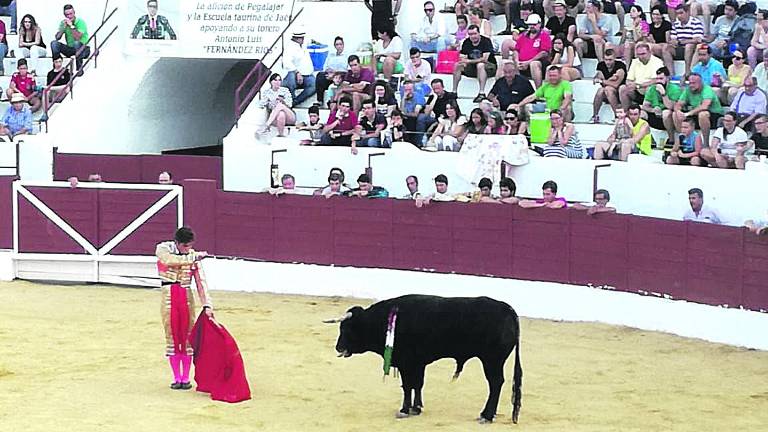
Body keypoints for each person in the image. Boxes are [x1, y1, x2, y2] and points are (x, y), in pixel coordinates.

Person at [155, 227, 212, 390]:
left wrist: (207, 304)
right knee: (172, 336)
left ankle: (185, 378)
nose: (188, 249)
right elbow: (168, 260)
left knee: (187, 337)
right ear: (177, 243)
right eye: (185, 246)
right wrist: (194, 257)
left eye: (190, 246)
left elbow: (201, 282)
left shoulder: (192, 255)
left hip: (186, 297)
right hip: (168, 297)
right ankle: (176, 377)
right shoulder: (163, 249)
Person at [674, 72, 724, 146]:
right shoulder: (688, 90)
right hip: (695, 114)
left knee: (703, 114)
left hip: (714, 114)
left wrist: (688, 114)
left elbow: (704, 106)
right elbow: (678, 104)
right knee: (675, 114)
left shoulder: (707, 89)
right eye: (690, 83)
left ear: (700, 82)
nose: (691, 85)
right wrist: (678, 111)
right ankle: (682, 141)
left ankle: (706, 144)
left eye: (694, 83)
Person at [453, 24, 497, 103]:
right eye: (470, 34)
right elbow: (462, 56)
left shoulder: (486, 41)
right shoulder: (466, 42)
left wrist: (469, 61)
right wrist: (463, 62)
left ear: (479, 33)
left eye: (474, 34)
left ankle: (481, 93)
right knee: (457, 65)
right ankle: (454, 92)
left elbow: (484, 59)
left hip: (489, 66)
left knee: (480, 65)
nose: (473, 36)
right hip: (472, 67)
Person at [282, 28, 316, 107]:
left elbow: (310, 41)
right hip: (294, 75)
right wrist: (297, 72)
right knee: (290, 79)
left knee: (314, 85)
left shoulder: (303, 44)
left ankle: (295, 101)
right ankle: (290, 98)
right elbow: (287, 63)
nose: (303, 39)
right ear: (296, 38)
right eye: (301, 38)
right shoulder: (289, 48)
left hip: (307, 75)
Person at [51, 4, 90, 72]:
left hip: (83, 49)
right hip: (71, 49)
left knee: (76, 43)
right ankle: (56, 67)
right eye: (67, 14)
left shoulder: (80, 22)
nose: (69, 16)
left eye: (71, 14)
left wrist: (71, 26)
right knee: (54, 44)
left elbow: (77, 37)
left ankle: (79, 69)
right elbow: (57, 37)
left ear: (74, 13)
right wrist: (63, 28)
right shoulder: (63, 23)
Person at [591, 48, 627, 123]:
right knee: (601, 90)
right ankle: (595, 115)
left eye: (610, 60)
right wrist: (609, 79)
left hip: (619, 92)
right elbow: (598, 77)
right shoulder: (601, 65)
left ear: (615, 58)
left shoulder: (620, 66)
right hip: (606, 91)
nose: (608, 62)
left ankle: (617, 116)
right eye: (606, 59)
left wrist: (603, 81)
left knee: (608, 89)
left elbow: (616, 84)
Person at [670, 4, 704, 75]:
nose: (679, 16)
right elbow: (673, 39)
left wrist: (682, 42)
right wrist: (675, 42)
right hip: (678, 48)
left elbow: (697, 40)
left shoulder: (696, 22)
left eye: (681, 13)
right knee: (665, 48)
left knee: (689, 46)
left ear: (688, 12)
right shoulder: (676, 24)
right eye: (677, 14)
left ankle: (687, 72)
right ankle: (670, 73)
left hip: (692, 49)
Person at [258, 73, 295, 137]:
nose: (278, 82)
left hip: (289, 116)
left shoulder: (285, 90)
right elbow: (261, 105)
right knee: (281, 114)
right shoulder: (267, 92)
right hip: (275, 118)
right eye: (275, 80)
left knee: (280, 105)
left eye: (279, 80)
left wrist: (283, 101)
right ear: (271, 82)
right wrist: (269, 101)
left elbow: (290, 104)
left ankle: (266, 126)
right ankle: (281, 135)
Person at [316, 37, 348, 104]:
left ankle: (333, 101)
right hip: (330, 76)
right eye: (337, 44)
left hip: (341, 75)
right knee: (320, 75)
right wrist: (329, 72)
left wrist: (335, 73)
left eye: (340, 44)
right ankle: (320, 100)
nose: (339, 46)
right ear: (334, 46)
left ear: (343, 45)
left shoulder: (347, 55)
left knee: (341, 76)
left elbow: (347, 70)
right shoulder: (331, 55)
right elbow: (325, 67)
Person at [649, 5, 674, 74]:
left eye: (657, 14)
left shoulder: (666, 24)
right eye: (653, 14)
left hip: (667, 46)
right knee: (649, 48)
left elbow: (667, 40)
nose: (655, 16)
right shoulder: (650, 26)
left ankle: (671, 73)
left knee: (664, 48)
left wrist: (658, 44)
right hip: (656, 47)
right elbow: (652, 41)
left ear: (662, 15)